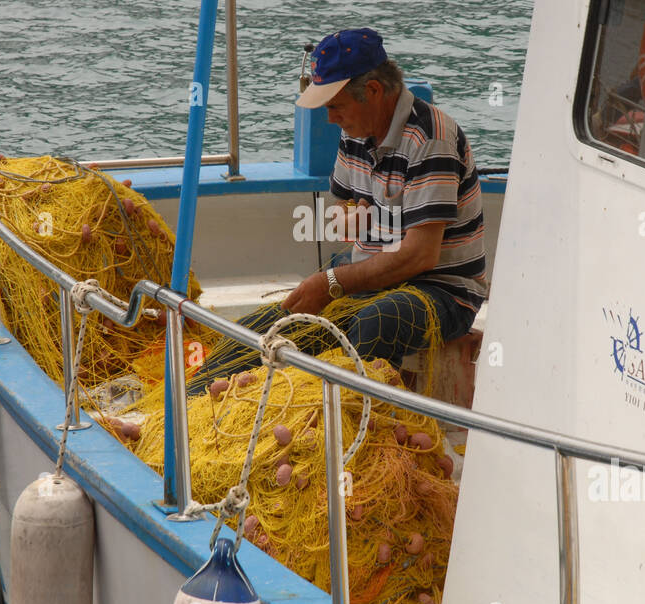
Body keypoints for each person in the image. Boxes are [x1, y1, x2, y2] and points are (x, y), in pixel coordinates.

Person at [186, 27, 487, 394]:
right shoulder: (356, 130)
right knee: (264, 328)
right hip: (372, 277)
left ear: (373, 91)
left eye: (335, 106)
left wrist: (332, 283)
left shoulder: (431, 138)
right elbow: (341, 204)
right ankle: (196, 402)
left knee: (380, 320)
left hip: (442, 290)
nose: (330, 118)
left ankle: (349, 424)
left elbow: (421, 255)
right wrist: (346, 217)